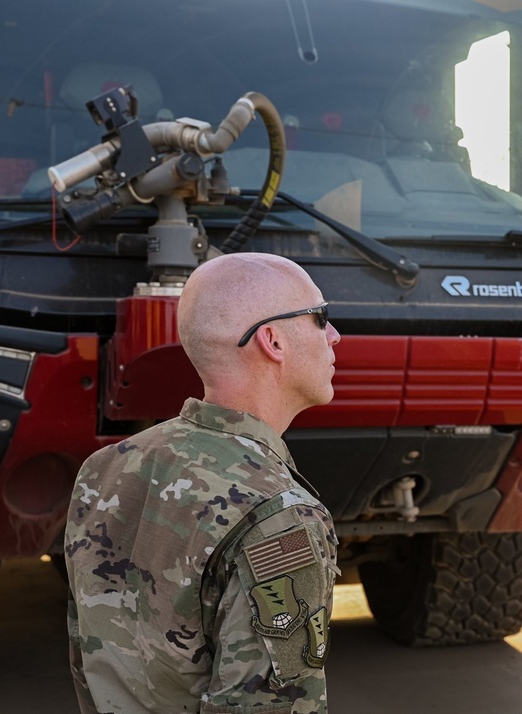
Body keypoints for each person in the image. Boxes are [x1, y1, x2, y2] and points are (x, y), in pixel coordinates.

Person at [65, 252, 342, 713]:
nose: (335, 335)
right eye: (321, 318)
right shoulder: (279, 514)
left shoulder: (106, 467)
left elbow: (89, 656)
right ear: (272, 340)